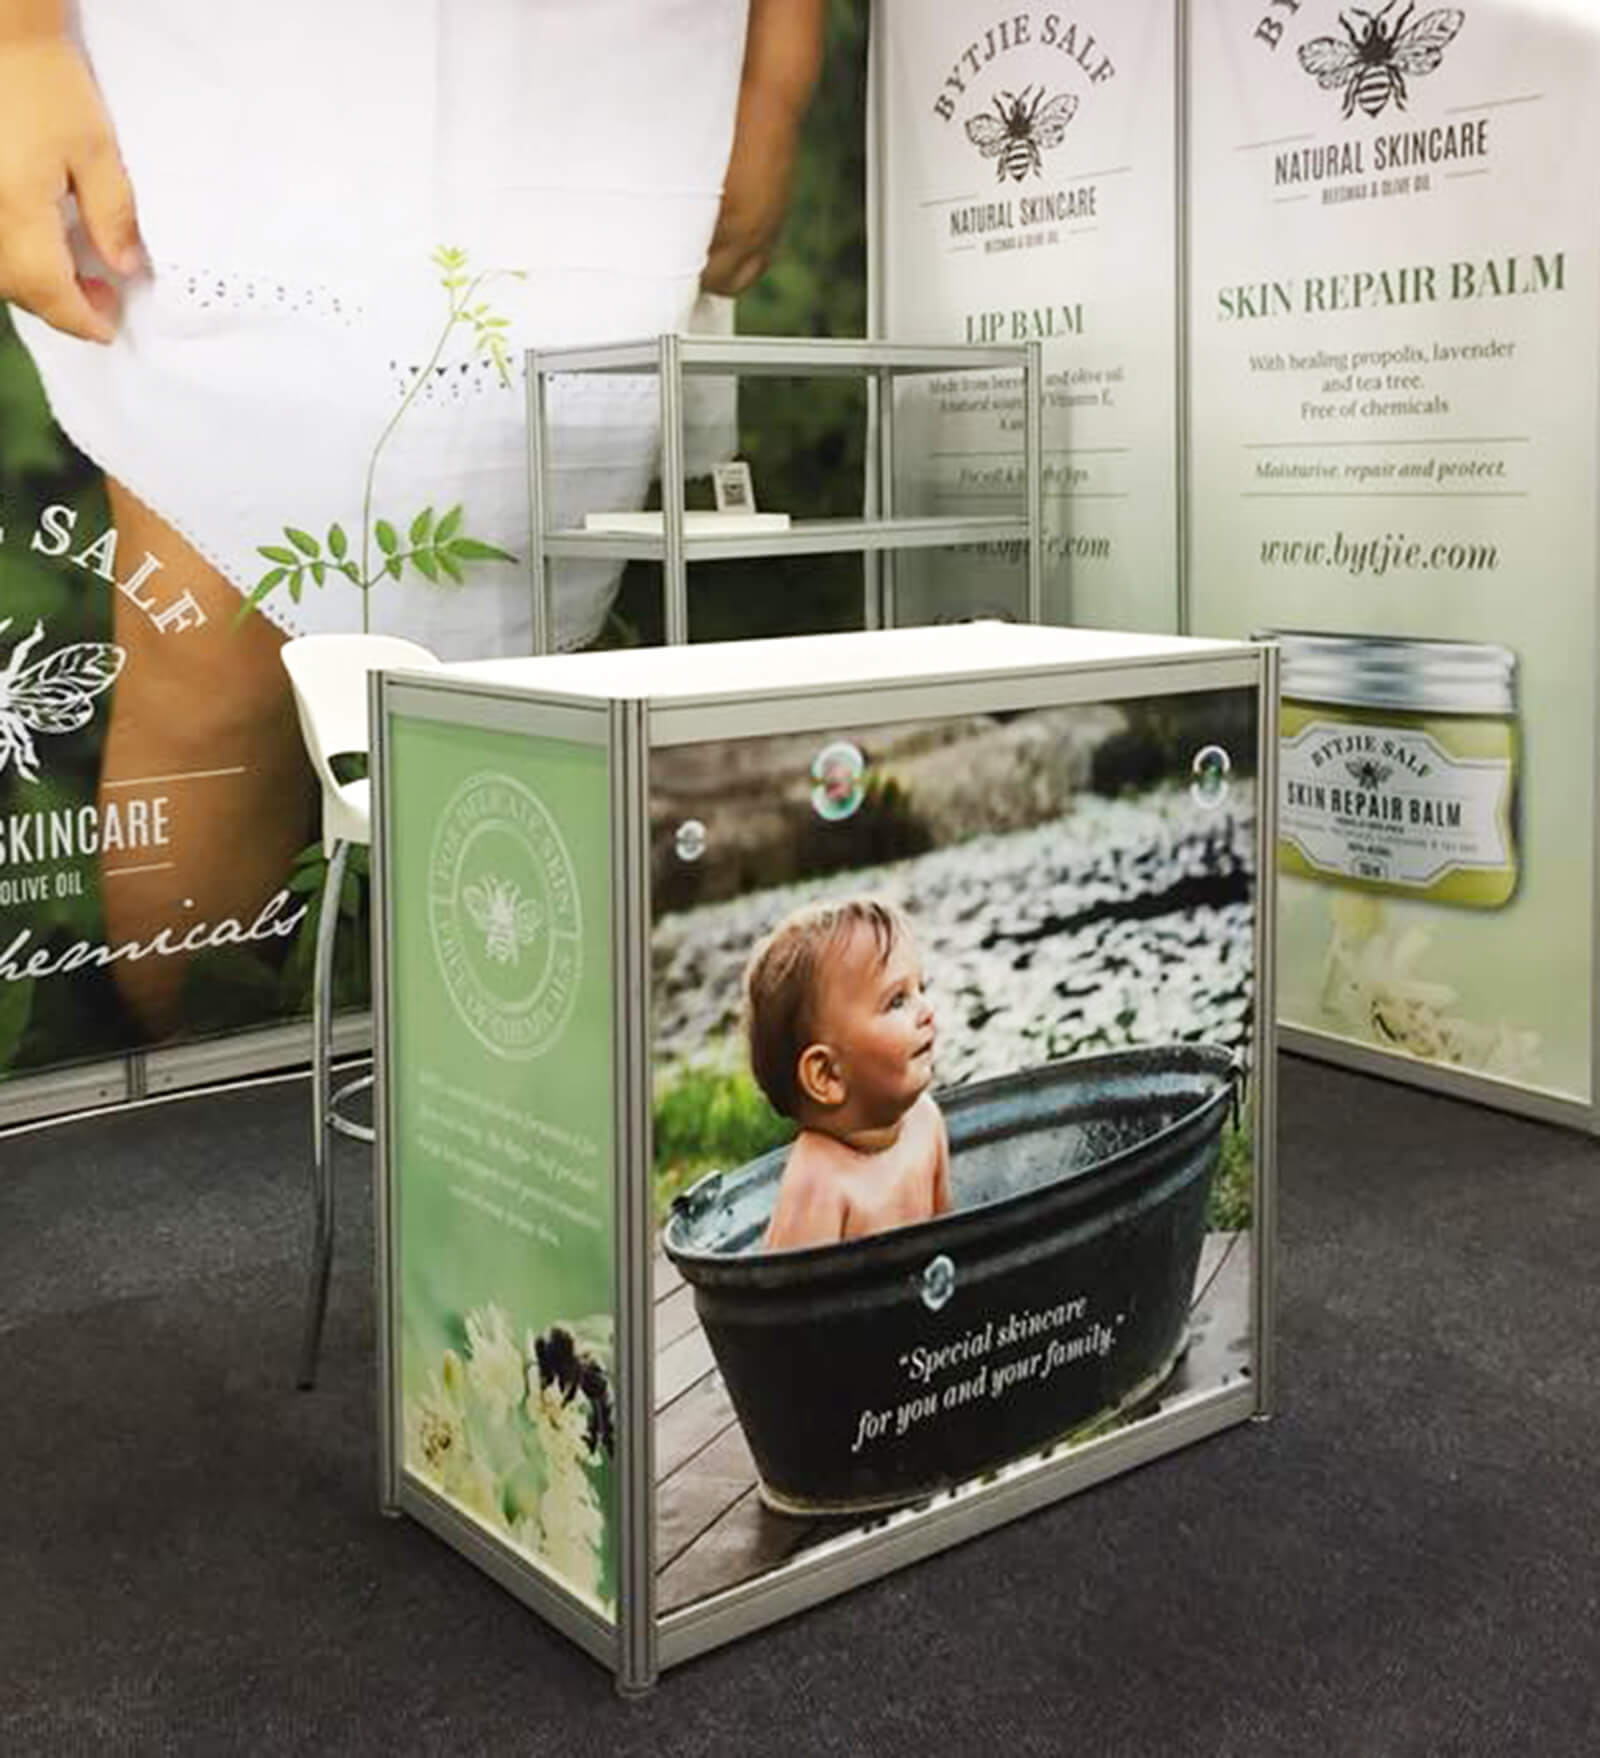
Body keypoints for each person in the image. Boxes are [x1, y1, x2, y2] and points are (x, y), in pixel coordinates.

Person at [0, 0, 825, 1038]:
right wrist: (20, 46)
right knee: (210, 650)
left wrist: (771, 83)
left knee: (524, 597)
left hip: (585, 85)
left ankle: (503, 1059)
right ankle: (196, 1070)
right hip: (239, 72)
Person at [744, 896, 952, 1251]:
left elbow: (952, 1237)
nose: (927, 1010)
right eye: (897, 1001)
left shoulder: (925, 1121)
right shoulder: (818, 1181)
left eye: (921, 988)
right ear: (827, 1075)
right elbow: (789, 1287)